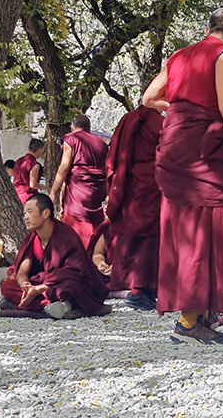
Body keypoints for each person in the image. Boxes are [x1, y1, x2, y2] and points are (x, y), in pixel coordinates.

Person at [142, 8, 223, 345]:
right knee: (211, 229)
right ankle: (187, 322)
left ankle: (198, 316)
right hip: (202, 149)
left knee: (189, 229)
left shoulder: (179, 56)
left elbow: (149, 98)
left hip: (175, 145)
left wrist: (182, 109)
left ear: (208, 28)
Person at [89, 104, 164, 310]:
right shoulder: (155, 121)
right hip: (151, 185)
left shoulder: (129, 120)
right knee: (149, 241)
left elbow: (115, 158)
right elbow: (170, 149)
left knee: (135, 240)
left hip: (132, 184)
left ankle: (140, 290)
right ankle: (141, 291)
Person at [0, 194, 110, 319]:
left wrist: (41, 288)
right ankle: (55, 306)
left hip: (59, 285)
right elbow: (22, 271)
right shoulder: (31, 239)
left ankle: (23, 303)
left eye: (29, 212)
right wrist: (26, 286)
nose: (26, 217)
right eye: (24, 213)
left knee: (69, 288)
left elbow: (76, 272)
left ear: (45, 213)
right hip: (41, 287)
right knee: (7, 287)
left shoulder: (66, 235)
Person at [48, 115, 108, 247]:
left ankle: (77, 253)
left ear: (72, 127)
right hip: (97, 186)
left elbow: (64, 167)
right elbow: (106, 169)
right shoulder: (102, 143)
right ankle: (94, 253)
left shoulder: (71, 138)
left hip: (78, 186)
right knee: (95, 222)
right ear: (89, 128)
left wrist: (53, 192)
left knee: (75, 221)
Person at [13, 138, 45, 204]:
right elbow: (33, 184)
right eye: (42, 150)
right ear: (39, 149)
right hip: (28, 196)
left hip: (16, 194)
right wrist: (42, 186)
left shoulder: (18, 161)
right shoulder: (34, 164)